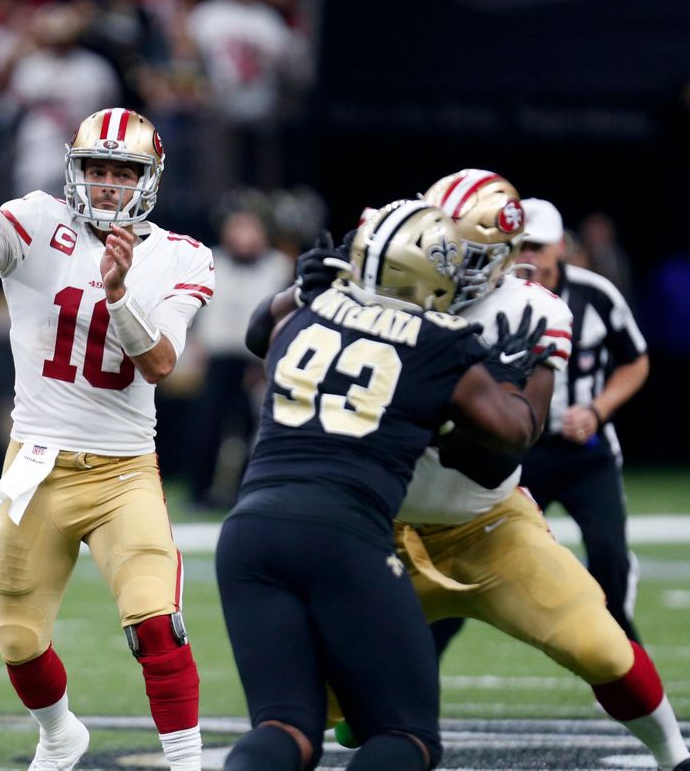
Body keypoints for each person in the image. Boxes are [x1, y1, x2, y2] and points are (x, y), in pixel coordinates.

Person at [0, 48, 212, 770]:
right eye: (97, 168)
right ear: (74, 169)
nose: (109, 184)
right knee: (20, 644)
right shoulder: (33, 223)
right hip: (39, 467)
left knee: (156, 623)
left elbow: (160, 364)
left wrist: (118, 295)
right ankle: (60, 734)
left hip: (123, 475)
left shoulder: (181, 256)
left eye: (124, 172)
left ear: (149, 182)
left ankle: (188, 763)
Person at [217, 199, 549, 771]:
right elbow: (512, 434)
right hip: (343, 534)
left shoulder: (307, 312)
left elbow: (258, 332)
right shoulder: (441, 342)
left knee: (286, 728)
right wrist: (517, 374)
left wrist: (300, 289)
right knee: (407, 735)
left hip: (249, 532)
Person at [382, 171, 690, 771]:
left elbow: (505, 442)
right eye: (437, 236)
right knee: (327, 694)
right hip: (386, 526)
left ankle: (674, 754)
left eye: (460, 242)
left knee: (603, 646)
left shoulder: (533, 309)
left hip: (489, 520)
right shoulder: (385, 290)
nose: (443, 254)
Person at [514, 197, 651, 641]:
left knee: (609, 557)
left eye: (537, 246)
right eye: (520, 246)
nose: (528, 256)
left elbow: (636, 361)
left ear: (560, 247)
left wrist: (597, 409)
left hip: (585, 452)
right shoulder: (497, 299)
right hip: (519, 453)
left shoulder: (596, 294)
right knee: (464, 561)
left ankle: (624, 660)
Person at [185, 209, 291, 509]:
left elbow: (283, 313)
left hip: (255, 359)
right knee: (207, 426)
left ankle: (245, 490)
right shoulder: (210, 260)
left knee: (251, 427)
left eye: (250, 229)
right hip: (216, 356)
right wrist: (195, 345)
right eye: (238, 229)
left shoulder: (277, 265)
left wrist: (270, 355)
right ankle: (201, 492)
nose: (244, 237)